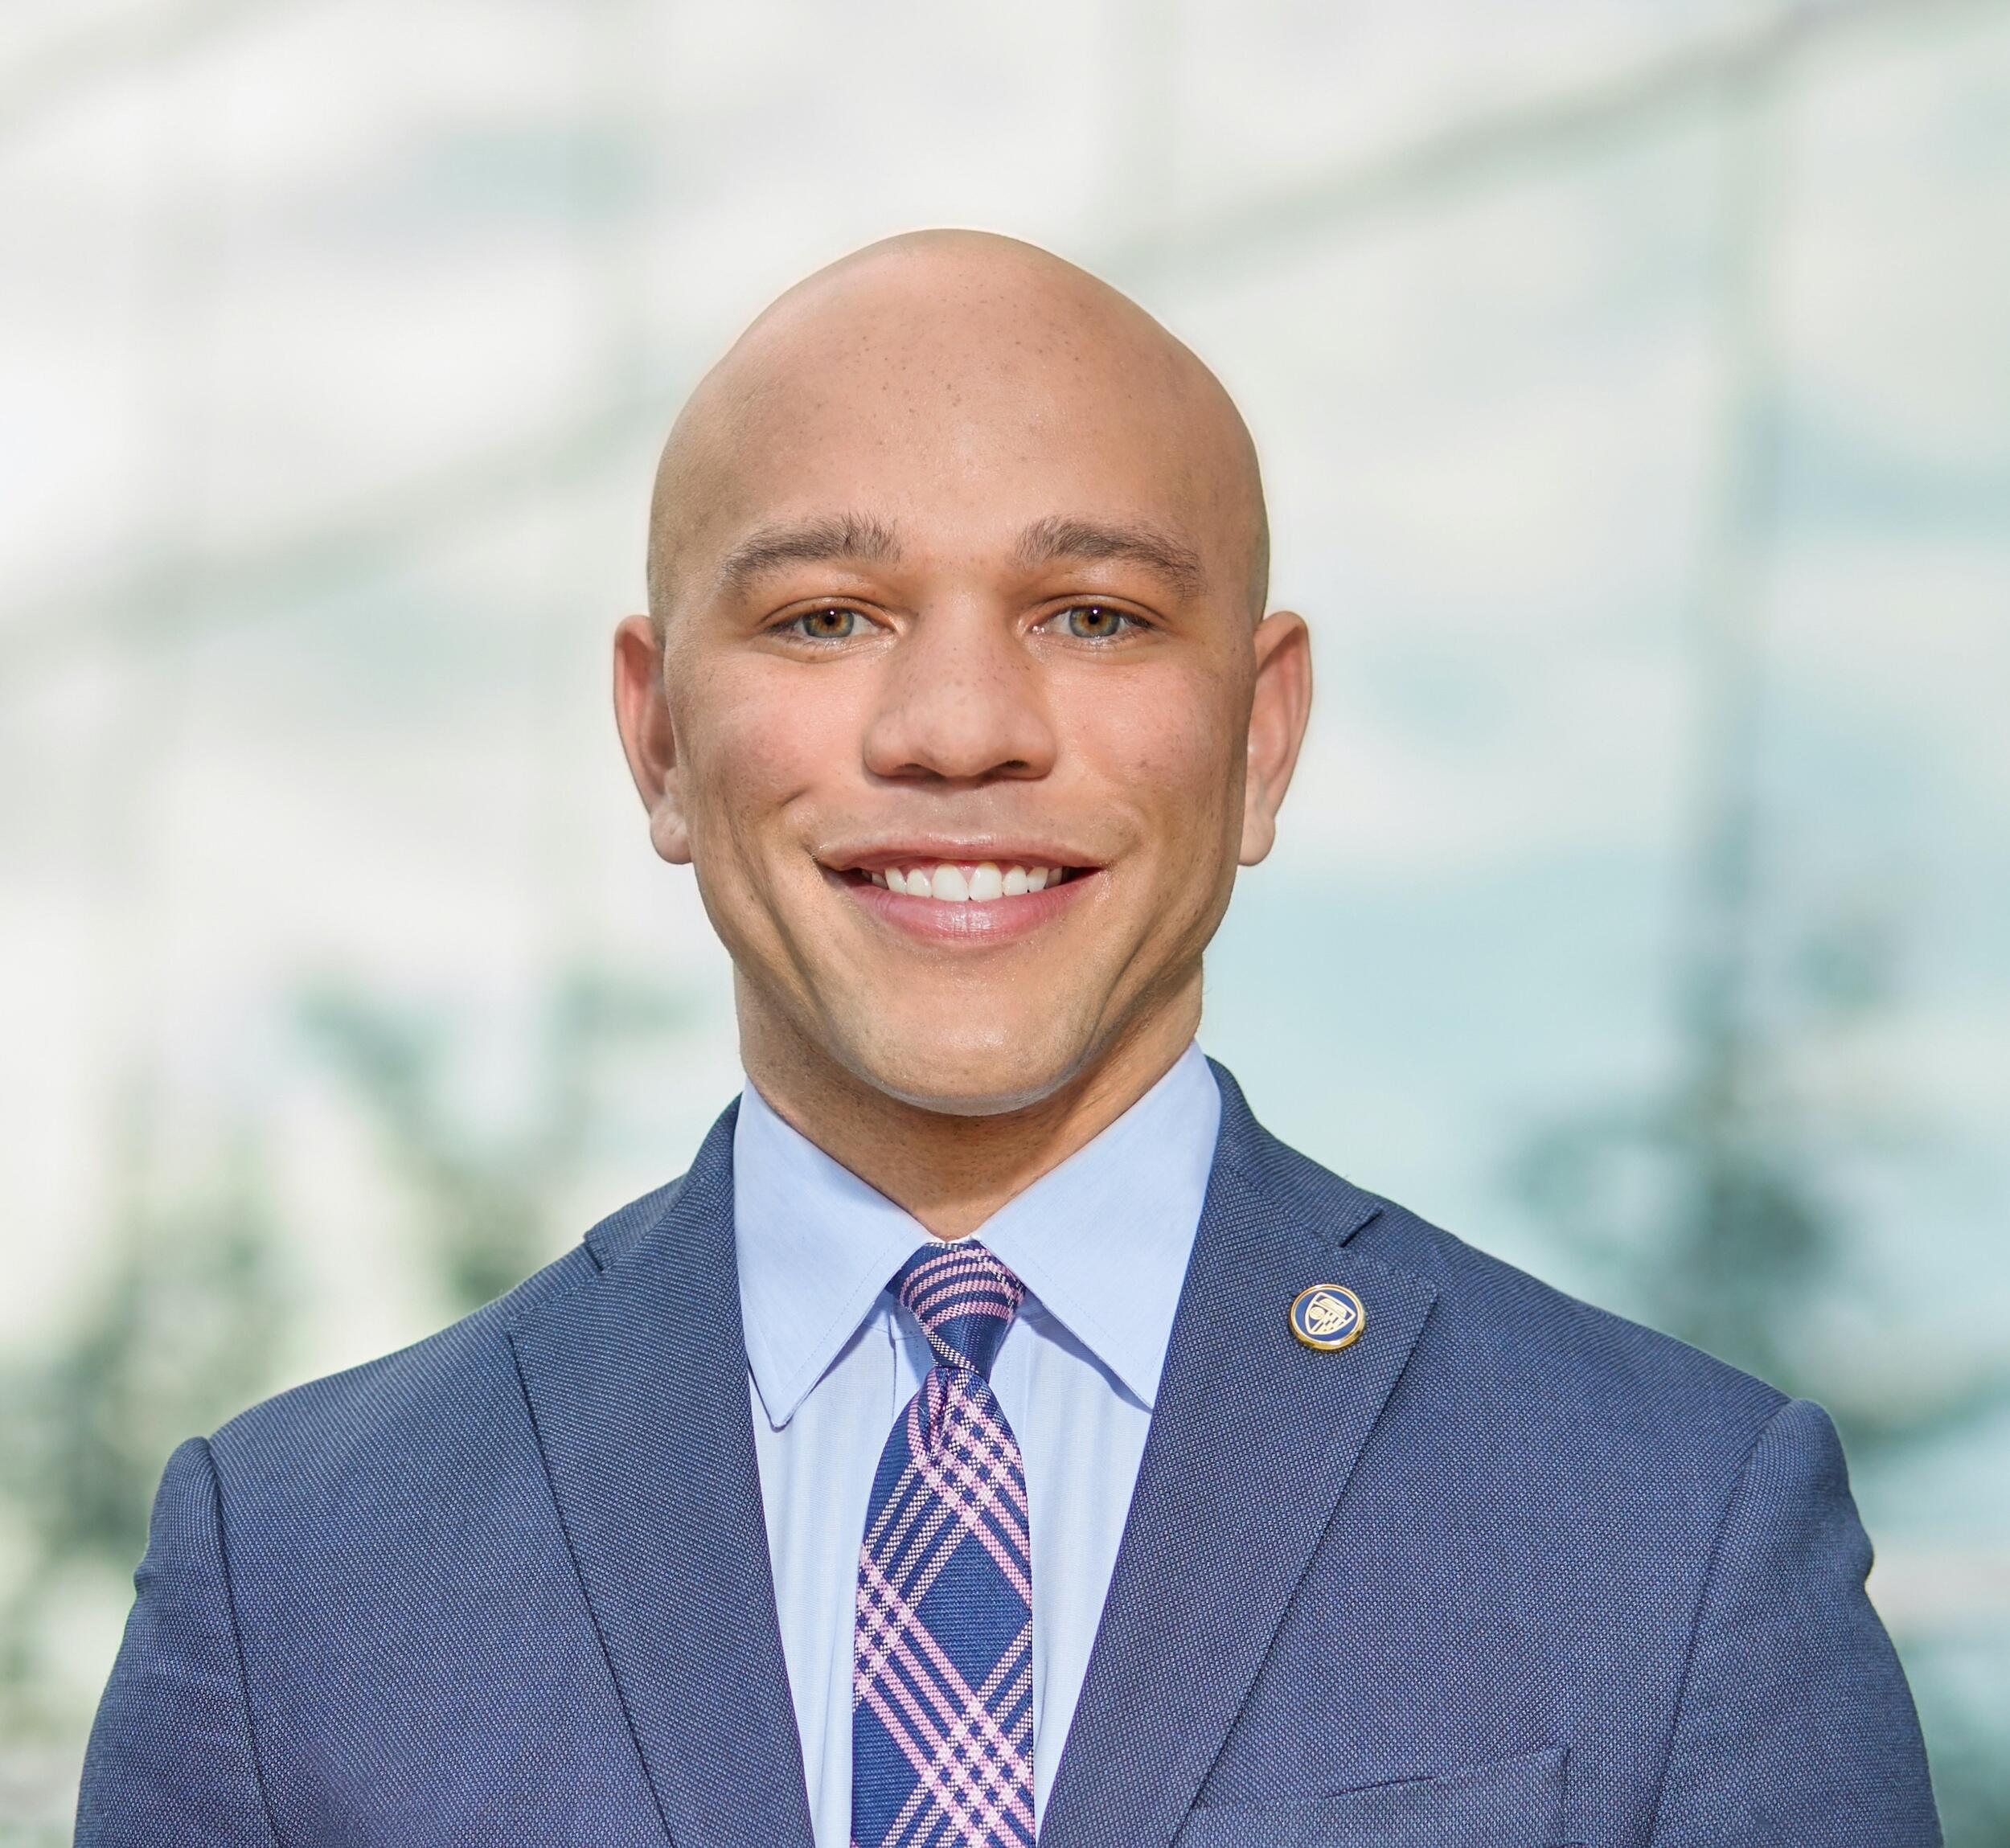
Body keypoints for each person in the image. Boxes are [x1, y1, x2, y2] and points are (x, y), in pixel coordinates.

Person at [76, 232, 1938, 1848]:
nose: (959, 727)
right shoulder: (300, 1574)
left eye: (1091, 615)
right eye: (825, 615)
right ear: (655, 736)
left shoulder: (1669, 1530)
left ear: (1259, 735)